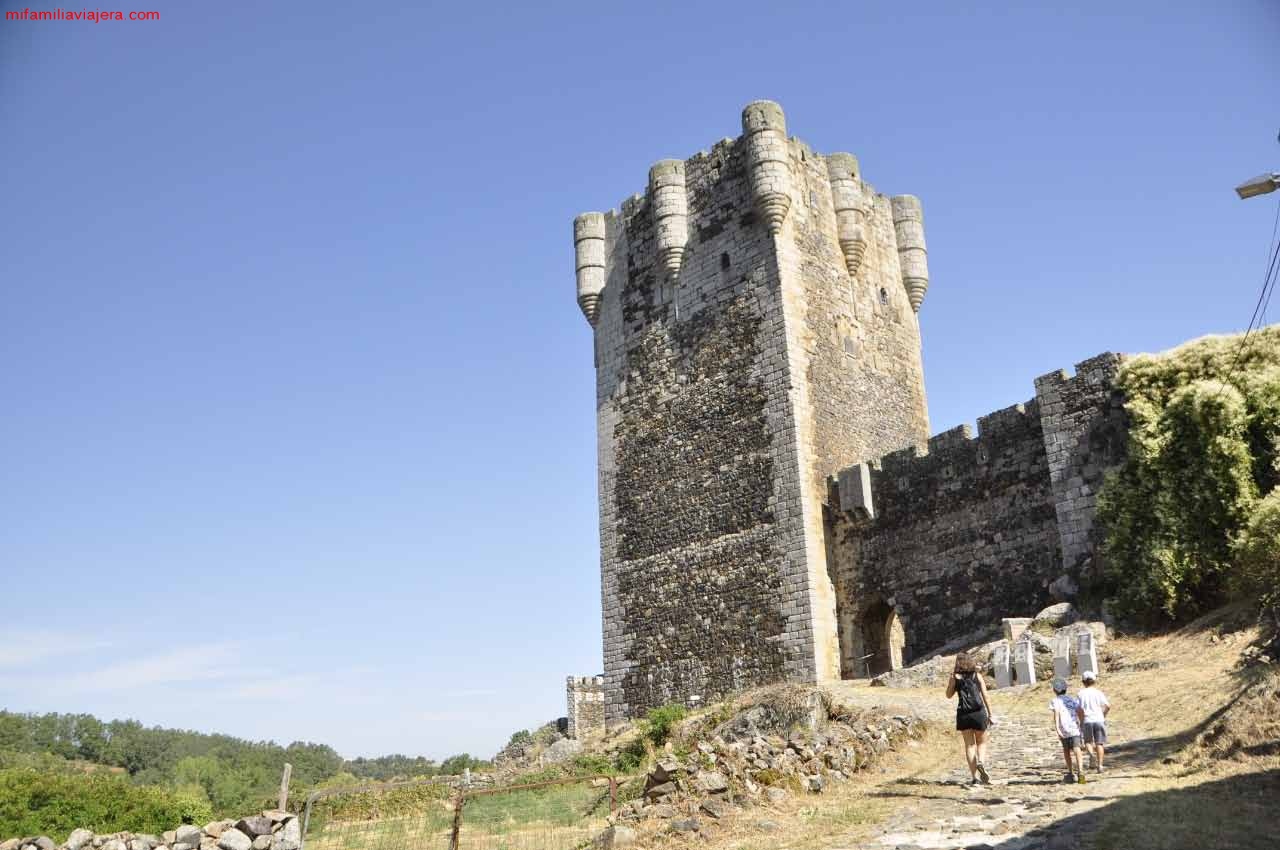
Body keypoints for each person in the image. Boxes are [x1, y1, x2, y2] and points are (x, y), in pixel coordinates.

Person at [945, 651, 993, 784]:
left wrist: (952, 681)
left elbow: (948, 695)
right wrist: (991, 714)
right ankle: (981, 762)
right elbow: (985, 695)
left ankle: (974, 778)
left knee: (969, 745)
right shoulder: (977, 676)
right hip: (979, 713)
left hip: (963, 714)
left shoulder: (955, 677)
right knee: (982, 742)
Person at [1049, 677, 1085, 784]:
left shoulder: (1055, 701)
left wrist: (1057, 728)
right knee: (1077, 749)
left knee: (1066, 751)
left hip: (1064, 729)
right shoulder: (1071, 699)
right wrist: (1081, 722)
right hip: (1074, 728)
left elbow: (1056, 714)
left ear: (1054, 690)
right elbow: (1080, 711)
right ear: (1066, 689)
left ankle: (1070, 773)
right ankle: (1081, 772)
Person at [1076, 670, 1111, 774]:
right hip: (1099, 719)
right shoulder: (1098, 692)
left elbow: (1078, 709)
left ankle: (1091, 756)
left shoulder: (1080, 693)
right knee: (1099, 743)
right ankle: (1100, 766)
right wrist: (1103, 715)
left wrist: (1081, 720)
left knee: (1087, 741)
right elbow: (1108, 706)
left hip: (1087, 720)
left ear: (1083, 682)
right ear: (1094, 681)